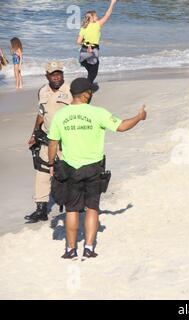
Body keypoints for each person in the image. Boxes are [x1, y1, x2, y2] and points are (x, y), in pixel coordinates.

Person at [47, 77, 147, 259]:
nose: (91, 94)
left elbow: (53, 143)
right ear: (86, 94)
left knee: (71, 210)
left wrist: (52, 164)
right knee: (92, 208)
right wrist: (139, 117)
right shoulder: (98, 113)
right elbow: (122, 126)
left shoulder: (60, 115)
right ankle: (89, 248)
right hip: (93, 168)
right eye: (90, 91)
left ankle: (70, 250)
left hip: (71, 168)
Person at [24, 62, 73, 223]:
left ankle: (75, 204)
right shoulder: (42, 91)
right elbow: (40, 114)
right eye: (53, 74)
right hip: (46, 138)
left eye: (59, 73)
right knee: (42, 173)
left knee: (68, 173)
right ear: (47, 76)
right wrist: (34, 134)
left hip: (66, 140)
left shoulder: (71, 90)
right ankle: (41, 209)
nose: (57, 76)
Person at [77, 0, 117, 85]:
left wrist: (87, 45)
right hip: (93, 51)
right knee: (93, 72)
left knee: (87, 65)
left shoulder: (83, 27)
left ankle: (87, 82)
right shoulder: (97, 24)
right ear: (91, 17)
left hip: (83, 51)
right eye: (95, 16)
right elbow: (107, 14)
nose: (97, 17)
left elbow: (78, 41)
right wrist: (112, 3)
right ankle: (87, 86)